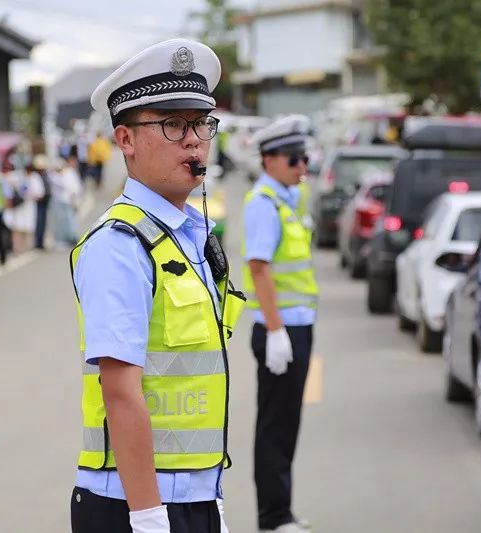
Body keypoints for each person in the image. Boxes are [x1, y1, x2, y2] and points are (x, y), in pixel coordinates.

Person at [70, 38, 245, 533]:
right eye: (172, 124)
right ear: (125, 139)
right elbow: (120, 390)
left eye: (201, 123)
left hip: (193, 496)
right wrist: (148, 516)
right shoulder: (120, 244)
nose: (194, 140)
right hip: (134, 503)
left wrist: (208, 501)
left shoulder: (188, 235)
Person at [241, 115, 318, 533]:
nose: (301, 166)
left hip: (295, 327)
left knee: (287, 423)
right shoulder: (264, 203)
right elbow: (259, 268)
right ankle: (272, 518)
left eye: (304, 158)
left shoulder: (288, 199)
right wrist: (274, 330)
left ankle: (281, 511)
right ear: (269, 160)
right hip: (280, 329)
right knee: (275, 425)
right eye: (293, 159)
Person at [51, 154, 83, 248]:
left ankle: (71, 238)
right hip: (65, 200)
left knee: (69, 220)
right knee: (66, 220)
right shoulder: (66, 173)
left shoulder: (69, 172)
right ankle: (69, 238)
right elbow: (69, 186)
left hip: (69, 199)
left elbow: (75, 187)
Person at [33, 154, 53, 250]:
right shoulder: (36, 177)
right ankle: (38, 242)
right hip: (40, 202)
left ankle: (40, 241)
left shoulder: (45, 175)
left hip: (45, 201)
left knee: (43, 222)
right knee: (39, 222)